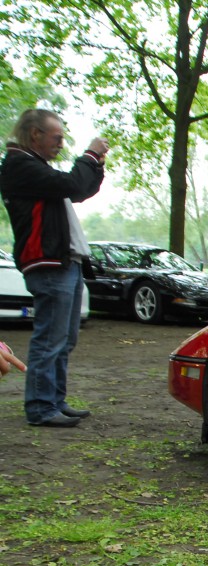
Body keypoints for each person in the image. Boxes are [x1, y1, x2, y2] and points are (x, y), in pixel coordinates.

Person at [0, 109, 107, 428]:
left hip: (65, 262)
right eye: (57, 137)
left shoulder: (37, 169)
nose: (61, 144)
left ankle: (54, 400)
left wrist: (96, 165)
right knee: (50, 338)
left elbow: (81, 189)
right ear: (35, 135)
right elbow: (73, 184)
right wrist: (89, 154)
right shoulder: (19, 166)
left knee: (65, 338)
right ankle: (40, 406)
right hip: (48, 264)